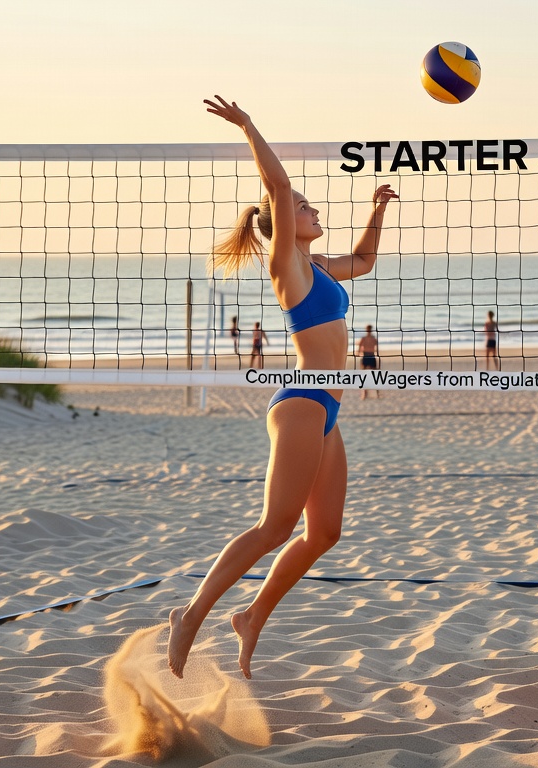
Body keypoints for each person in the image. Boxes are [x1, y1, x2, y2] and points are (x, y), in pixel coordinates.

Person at [167, 95, 398, 679]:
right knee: (275, 527)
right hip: (300, 404)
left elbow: (366, 260)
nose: (313, 208)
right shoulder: (287, 267)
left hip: (327, 406)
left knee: (324, 532)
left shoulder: (321, 268)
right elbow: (276, 181)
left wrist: (378, 209)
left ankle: (250, 617)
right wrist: (247, 126)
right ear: (279, 221)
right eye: (302, 206)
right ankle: (191, 615)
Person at [356, 324, 380, 399]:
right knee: (368, 375)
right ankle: (367, 393)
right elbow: (377, 347)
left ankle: (369, 394)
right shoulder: (371, 338)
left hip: (368, 356)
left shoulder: (367, 338)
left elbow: (359, 347)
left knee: (372, 375)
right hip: (369, 356)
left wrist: (359, 352)